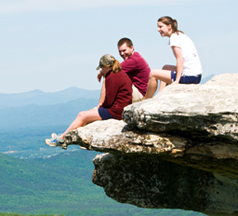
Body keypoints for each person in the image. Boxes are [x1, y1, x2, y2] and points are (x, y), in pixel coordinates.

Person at [45, 54, 132, 148]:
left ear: (105, 67)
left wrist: (100, 107)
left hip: (115, 111)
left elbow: (109, 100)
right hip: (121, 109)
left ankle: (61, 139)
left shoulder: (111, 77)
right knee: (87, 116)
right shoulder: (120, 73)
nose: (101, 71)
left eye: (102, 68)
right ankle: (65, 136)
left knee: (81, 115)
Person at [144, 16, 202, 99]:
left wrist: (177, 80)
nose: (158, 30)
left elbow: (180, 60)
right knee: (165, 68)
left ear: (169, 26)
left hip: (189, 77)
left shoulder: (174, 38)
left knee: (153, 73)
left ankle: (146, 99)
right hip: (197, 76)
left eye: (160, 27)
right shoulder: (180, 34)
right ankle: (160, 95)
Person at [97, 38, 150, 104]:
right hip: (141, 92)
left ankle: (100, 104)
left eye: (124, 50)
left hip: (140, 94)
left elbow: (111, 69)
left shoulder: (133, 60)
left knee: (109, 75)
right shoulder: (136, 57)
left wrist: (101, 72)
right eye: (120, 51)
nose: (122, 53)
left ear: (131, 48)